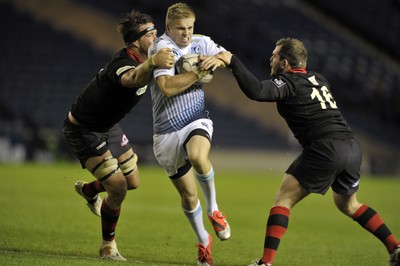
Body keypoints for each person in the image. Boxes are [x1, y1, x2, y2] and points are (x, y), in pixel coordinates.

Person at [216, 38, 400, 266]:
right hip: (351, 147)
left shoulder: (289, 82)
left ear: (284, 63)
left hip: (325, 147)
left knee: (283, 199)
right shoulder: (319, 78)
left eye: (274, 56)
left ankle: (266, 263)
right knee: (349, 204)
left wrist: (233, 61)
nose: (270, 59)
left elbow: (257, 91)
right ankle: (395, 247)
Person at [62, 10, 174, 261]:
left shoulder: (148, 58)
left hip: (108, 126)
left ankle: (90, 191)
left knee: (133, 181)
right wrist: (154, 62)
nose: (157, 36)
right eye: (150, 33)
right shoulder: (123, 63)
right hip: (84, 128)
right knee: (119, 187)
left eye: (157, 30)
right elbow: (131, 78)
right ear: (135, 41)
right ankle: (107, 247)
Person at [147, 3, 230, 266]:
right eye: (181, 28)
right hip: (165, 131)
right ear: (168, 27)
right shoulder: (162, 49)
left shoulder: (201, 42)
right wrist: (198, 73)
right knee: (188, 195)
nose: (186, 33)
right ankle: (204, 240)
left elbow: (228, 57)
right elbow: (167, 88)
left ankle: (214, 208)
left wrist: (217, 59)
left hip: (196, 119)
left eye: (190, 27)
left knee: (198, 156)